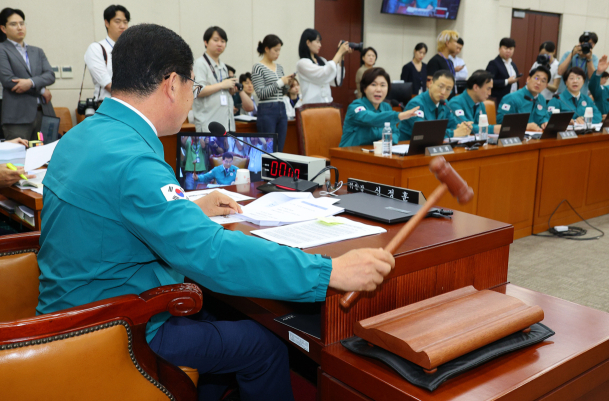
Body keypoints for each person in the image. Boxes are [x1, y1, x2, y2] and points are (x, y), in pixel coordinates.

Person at [37, 23, 394, 401]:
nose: (191, 96)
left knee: (223, 316)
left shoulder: (83, 133)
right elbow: (211, 252)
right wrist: (330, 271)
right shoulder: (134, 161)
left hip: (74, 310)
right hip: (118, 328)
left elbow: (115, 210)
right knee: (265, 346)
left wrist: (188, 206)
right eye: (192, 85)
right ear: (172, 83)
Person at [0, 8, 55, 141]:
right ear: (3, 28)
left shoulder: (37, 51)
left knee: (48, 157)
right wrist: (41, 89)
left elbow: (50, 75)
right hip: (17, 117)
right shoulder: (2, 49)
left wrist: (30, 82)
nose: (19, 27)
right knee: (19, 159)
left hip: (44, 112)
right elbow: (9, 81)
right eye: (13, 24)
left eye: (22, 23)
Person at [340, 67, 419, 147]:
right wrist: (399, 116)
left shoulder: (386, 107)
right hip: (350, 155)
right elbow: (372, 118)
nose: (378, 89)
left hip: (376, 155)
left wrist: (387, 140)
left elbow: (395, 133)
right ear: (364, 88)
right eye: (373, 85)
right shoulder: (356, 107)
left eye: (383, 85)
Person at [193, 26, 245, 133]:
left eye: (223, 41)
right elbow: (197, 90)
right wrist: (222, 85)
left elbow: (221, 90)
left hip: (226, 124)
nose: (220, 44)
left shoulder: (223, 66)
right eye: (216, 40)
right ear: (206, 42)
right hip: (209, 124)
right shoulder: (200, 64)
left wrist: (230, 91)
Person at [398, 70, 472, 141]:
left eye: (448, 89)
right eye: (440, 86)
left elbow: (453, 124)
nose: (443, 92)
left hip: (432, 147)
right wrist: (454, 133)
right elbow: (424, 132)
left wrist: (463, 128)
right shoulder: (415, 104)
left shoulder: (444, 103)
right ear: (430, 84)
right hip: (407, 147)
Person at [252, 34, 292, 153]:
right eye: (275, 50)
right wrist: (280, 82)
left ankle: (277, 172)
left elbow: (282, 92)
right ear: (266, 49)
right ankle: (267, 172)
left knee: (280, 148)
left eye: (279, 50)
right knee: (269, 149)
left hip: (281, 107)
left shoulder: (279, 67)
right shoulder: (258, 67)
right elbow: (260, 93)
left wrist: (288, 84)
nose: (278, 53)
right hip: (267, 109)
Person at [84, 5, 129, 102]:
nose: (122, 26)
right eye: (117, 21)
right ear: (107, 23)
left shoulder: (131, 50)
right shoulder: (96, 48)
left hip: (130, 106)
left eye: (125, 22)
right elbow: (107, 84)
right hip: (106, 105)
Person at [296, 28, 351, 105]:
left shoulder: (322, 61)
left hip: (327, 104)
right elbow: (323, 74)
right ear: (308, 42)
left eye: (320, 42)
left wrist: (341, 56)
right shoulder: (302, 63)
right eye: (317, 42)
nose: (320, 45)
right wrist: (338, 53)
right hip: (311, 107)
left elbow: (336, 81)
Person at [496, 65, 551, 131]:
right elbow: (501, 123)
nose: (538, 83)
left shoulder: (542, 99)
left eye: (543, 81)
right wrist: (525, 126)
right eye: (536, 78)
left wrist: (544, 122)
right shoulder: (510, 98)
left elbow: (544, 116)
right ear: (528, 79)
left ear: (546, 86)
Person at [448, 70, 501, 135]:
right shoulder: (455, 103)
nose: (490, 93)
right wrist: (493, 129)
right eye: (488, 89)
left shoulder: (480, 103)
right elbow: (465, 127)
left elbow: (484, 125)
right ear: (476, 87)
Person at [557, 32, 598, 97]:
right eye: (585, 42)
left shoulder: (594, 58)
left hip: (581, 96)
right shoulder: (568, 54)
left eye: (590, 44)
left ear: (593, 46)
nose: (587, 45)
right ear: (580, 43)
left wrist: (589, 59)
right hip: (564, 94)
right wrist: (572, 54)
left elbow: (592, 78)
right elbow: (560, 72)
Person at [486, 38, 519, 107]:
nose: (508, 51)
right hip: (499, 100)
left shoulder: (513, 64)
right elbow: (489, 81)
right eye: (506, 48)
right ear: (499, 49)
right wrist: (507, 81)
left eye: (511, 49)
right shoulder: (494, 63)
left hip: (513, 99)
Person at [426, 30, 459, 96]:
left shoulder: (450, 62)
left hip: (450, 99)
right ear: (447, 43)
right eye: (455, 42)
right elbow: (429, 84)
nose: (457, 45)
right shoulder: (435, 61)